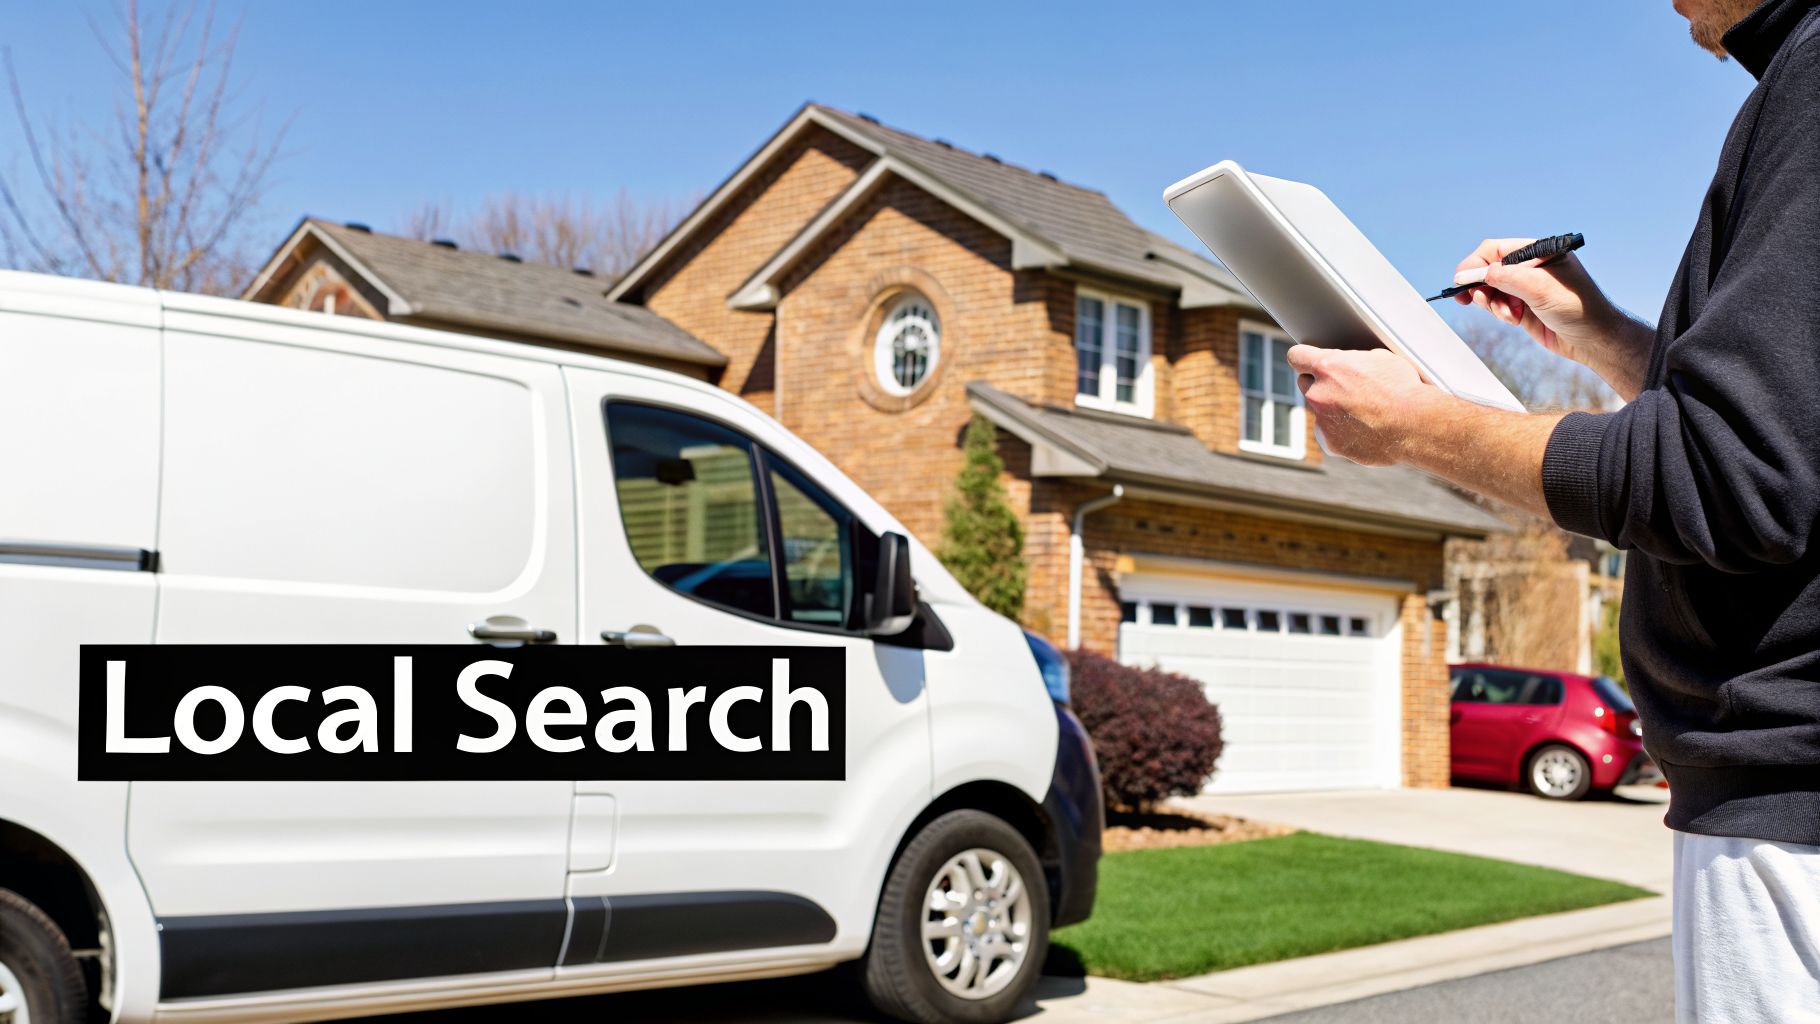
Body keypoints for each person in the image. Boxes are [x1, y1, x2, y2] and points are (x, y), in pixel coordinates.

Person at [1285, 0, 1820, 1019]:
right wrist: (1602, 333)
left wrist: (1418, 427)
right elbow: (1781, 432)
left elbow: (1731, 473)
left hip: (1787, 818)